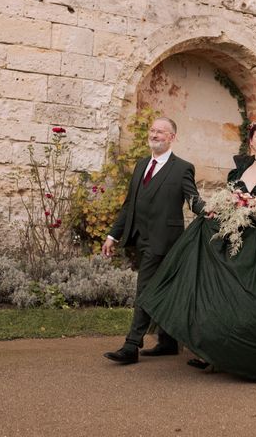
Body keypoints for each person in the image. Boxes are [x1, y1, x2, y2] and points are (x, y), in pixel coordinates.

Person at [137, 122, 256, 381]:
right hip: (240, 235)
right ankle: (215, 352)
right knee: (222, 290)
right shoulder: (239, 171)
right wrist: (225, 210)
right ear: (250, 142)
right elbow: (231, 199)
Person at [103, 117, 204, 365]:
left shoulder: (182, 168)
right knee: (164, 290)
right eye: (152, 130)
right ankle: (168, 343)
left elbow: (193, 199)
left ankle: (131, 346)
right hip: (140, 239)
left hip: (165, 240)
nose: (155, 134)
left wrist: (206, 210)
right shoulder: (140, 165)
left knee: (145, 289)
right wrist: (112, 235)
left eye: (161, 131)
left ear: (172, 137)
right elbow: (130, 205)